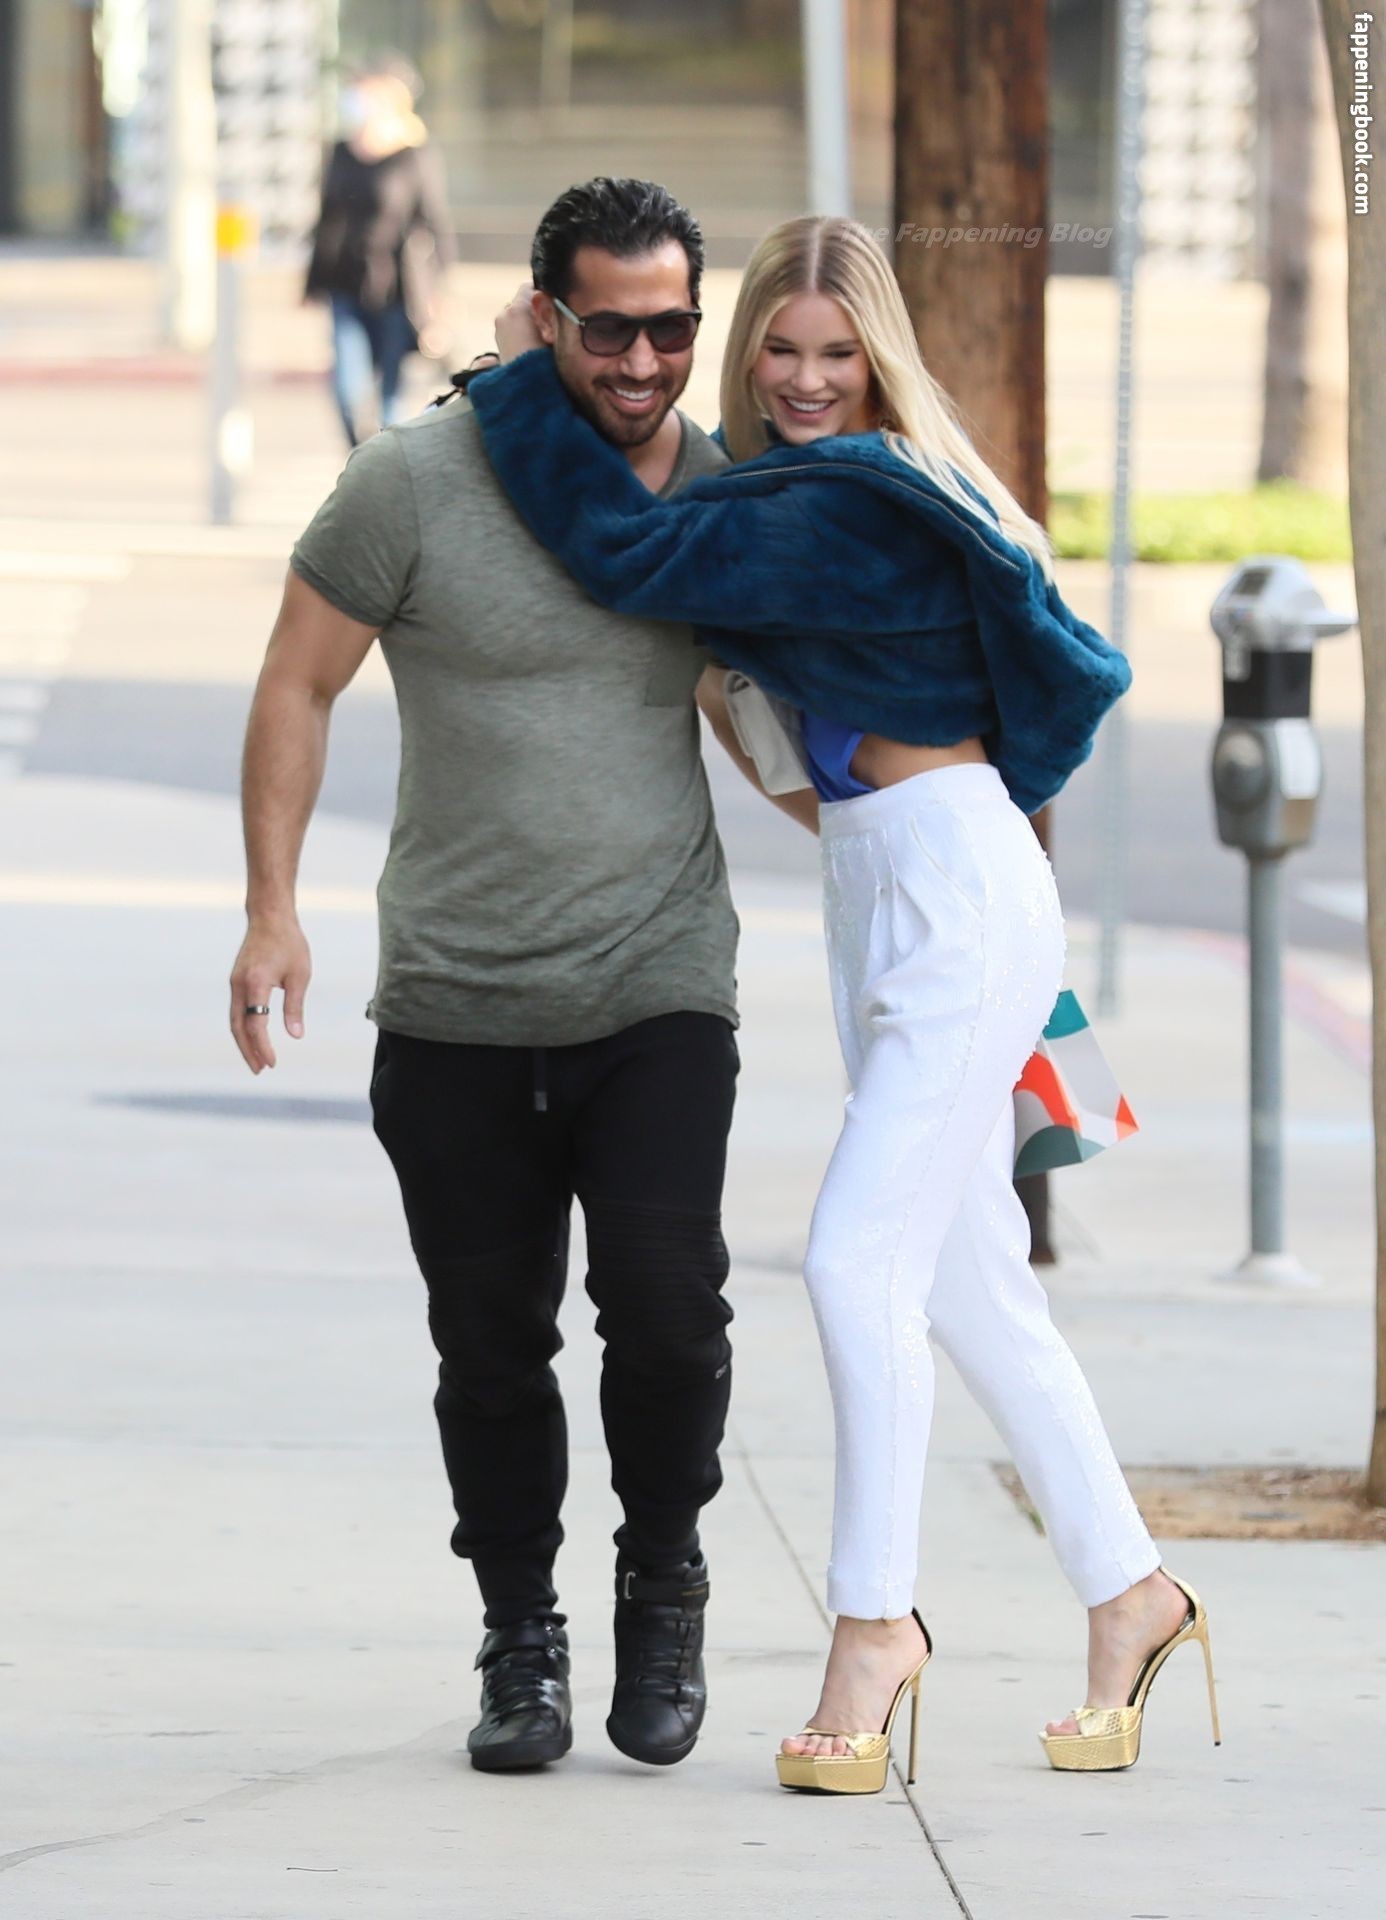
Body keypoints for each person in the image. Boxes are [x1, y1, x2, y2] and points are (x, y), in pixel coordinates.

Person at [477, 214, 1220, 1791]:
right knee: (968, 1286)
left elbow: (617, 549)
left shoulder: (844, 497)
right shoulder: (810, 497)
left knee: (850, 1259)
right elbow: (812, 748)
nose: (806, 380)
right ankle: (1131, 1594)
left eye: (838, 354)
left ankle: (873, 1626)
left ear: (879, 364)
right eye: (781, 350)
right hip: (889, 888)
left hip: (952, 894)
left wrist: (519, 382)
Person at [230, 180, 815, 1775]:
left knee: (670, 1318)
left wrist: (938, 844)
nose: (643, 362)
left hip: (657, 981)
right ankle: (519, 1635)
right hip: (457, 997)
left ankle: (662, 1581)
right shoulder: (413, 482)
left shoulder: (718, 497)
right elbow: (296, 680)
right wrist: (273, 910)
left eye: (671, 328)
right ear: (545, 317)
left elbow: (784, 721)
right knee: (491, 1351)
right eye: (609, 328)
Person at [304, 55, 455, 448]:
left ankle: (387, 466)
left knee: (392, 399)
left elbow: (435, 224)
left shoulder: (414, 156)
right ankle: (362, 459)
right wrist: (310, 283)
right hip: (346, 284)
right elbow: (326, 220)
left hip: (399, 289)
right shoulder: (340, 152)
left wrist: (440, 296)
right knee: (346, 388)